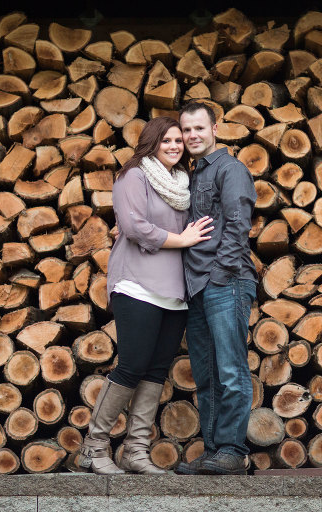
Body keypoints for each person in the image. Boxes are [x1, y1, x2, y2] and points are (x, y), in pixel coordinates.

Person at [79, 116, 214, 475]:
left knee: (155, 371)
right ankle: (93, 448)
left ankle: (135, 452)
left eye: (178, 141)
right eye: (166, 140)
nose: (174, 146)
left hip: (174, 292)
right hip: (136, 284)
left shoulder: (182, 183)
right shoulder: (133, 176)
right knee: (133, 364)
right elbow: (133, 225)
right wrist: (182, 240)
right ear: (151, 141)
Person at [175, 102, 258, 475]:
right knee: (206, 372)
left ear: (215, 129)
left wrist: (219, 277)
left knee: (230, 369)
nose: (192, 136)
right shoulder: (192, 176)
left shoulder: (230, 169)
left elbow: (239, 225)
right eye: (186, 130)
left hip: (225, 282)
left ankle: (233, 450)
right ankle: (213, 452)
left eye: (198, 128)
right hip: (197, 287)